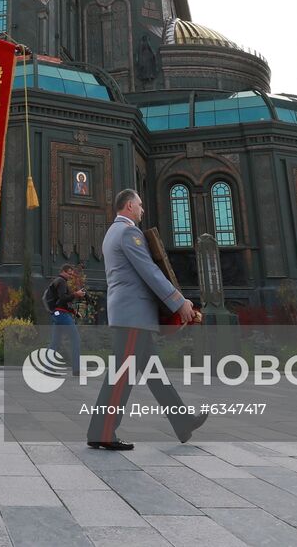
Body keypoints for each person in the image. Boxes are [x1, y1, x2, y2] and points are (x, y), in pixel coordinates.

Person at [86, 189, 203, 451]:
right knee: (121, 376)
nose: (142, 210)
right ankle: (102, 432)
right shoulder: (129, 232)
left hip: (130, 314)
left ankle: (182, 422)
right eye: (139, 205)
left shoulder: (112, 232)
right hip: (133, 316)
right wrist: (179, 301)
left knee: (155, 373)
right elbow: (149, 271)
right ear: (128, 206)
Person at [44, 263, 83, 374]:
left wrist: (74, 312)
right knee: (75, 339)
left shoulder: (57, 282)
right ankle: (76, 370)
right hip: (61, 315)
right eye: (70, 273)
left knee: (55, 342)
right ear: (64, 271)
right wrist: (76, 294)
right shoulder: (61, 281)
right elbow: (63, 298)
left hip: (57, 314)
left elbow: (61, 302)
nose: (71, 275)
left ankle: (47, 368)